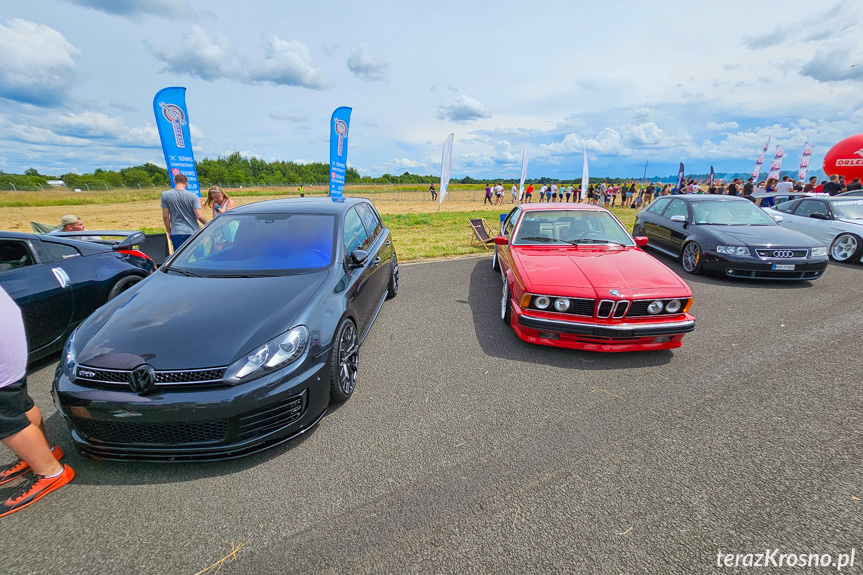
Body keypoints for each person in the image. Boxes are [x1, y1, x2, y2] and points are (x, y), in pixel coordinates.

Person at [0, 286, 74, 518]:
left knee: (5, 417)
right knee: (18, 401)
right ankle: (45, 452)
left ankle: (50, 471)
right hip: (8, 331)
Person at [161, 174, 208, 251]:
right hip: (193, 231)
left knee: (179, 259)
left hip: (177, 232)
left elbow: (165, 216)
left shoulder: (165, 195)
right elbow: (199, 216)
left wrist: (169, 232)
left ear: (174, 181)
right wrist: (209, 224)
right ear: (187, 183)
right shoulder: (193, 196)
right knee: (200, 258)